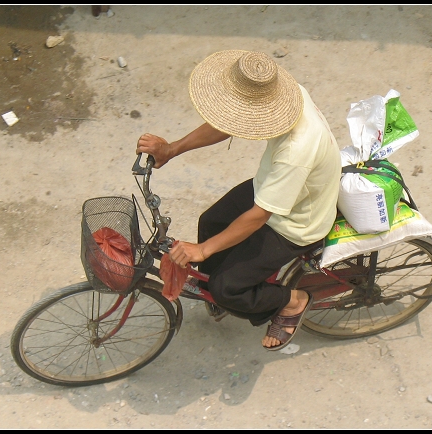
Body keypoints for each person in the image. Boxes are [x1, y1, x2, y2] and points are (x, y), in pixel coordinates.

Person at [136, 50, 341, 350]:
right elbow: (228, 122)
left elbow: (260, 216)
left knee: (227, 288)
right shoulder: (286, 94)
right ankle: (216, 289)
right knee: (211, 221)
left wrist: (203, 250)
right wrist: (172, 149)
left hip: (296, 221)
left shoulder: (296, 151)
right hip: (275, 188)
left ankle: (293, 301)